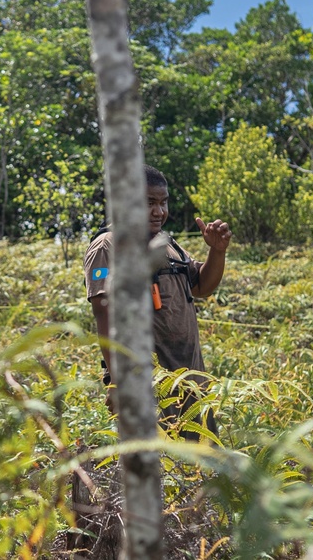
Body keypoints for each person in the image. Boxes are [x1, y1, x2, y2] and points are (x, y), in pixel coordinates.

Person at [83, 165, 232, 439]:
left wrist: (217, 252)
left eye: (163, 202)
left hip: (190, 378)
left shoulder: (167, 244)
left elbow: (202, 285)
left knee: (202, 461)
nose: (159, 211)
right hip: (147, 382)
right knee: (160, 464)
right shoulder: (108, 246)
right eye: (149, 202)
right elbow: (104, 313)